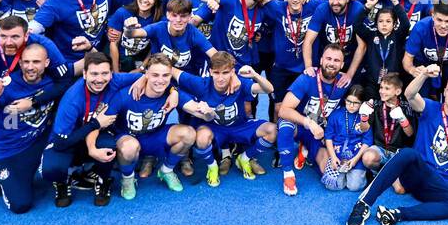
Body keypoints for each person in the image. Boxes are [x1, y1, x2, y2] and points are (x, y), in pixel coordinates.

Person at [344, 69, 448, 225]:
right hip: (418, 173)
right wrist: (425, 74)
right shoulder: (431, 108)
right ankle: (363, 205)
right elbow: (410, 94)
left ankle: (398, 214)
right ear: (444, 93)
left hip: (439, 183)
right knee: (408, 153)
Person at [0, 43, 71, 214]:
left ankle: (60, 178)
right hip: (9, 150)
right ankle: (6, 178)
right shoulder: (5, 85)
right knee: (20, 205)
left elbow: (81, 68)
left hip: (38, 143)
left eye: (36, 62)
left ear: (46, 63)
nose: (30, 67)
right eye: (26, 62)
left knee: (62, 150)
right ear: (20, 63)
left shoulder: (53, 83)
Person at [40, 51, 137, 207]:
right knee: (51, 168)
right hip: (68, 140)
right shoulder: (73, 99)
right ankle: (62, 181)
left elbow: (151, 77)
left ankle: (103, 179)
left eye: (105, 73)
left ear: (111, 73)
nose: (99, 79)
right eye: (94, 74)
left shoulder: (115, 80)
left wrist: (170, 91)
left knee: (109, 147)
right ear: (84, 74)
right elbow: (60, 143)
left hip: (97, 135)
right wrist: (95, 123)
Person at [172, 52, 277, 185]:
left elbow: (269, 89)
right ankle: (212, 166)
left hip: (239, 126)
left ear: (232, 72)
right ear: (210, 72)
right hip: (215, 128)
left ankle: (244, 158)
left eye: (225, 73)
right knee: (201, 138)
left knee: (272, 130)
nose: (221, 78)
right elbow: (171, 70)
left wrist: (255, 75)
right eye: (216, 73)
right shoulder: (201, 84)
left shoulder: (240, 83)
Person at [109, 55, 192, 198]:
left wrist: (207, 111)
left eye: (165, 75)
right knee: (129, 147)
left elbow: (195, 108)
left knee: (188, 134)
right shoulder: (125, 94)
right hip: (128, 138)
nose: (160, 80)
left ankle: (166, 170)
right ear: (146, 74)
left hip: (154, 137)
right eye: (155, 75)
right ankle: (127, 178)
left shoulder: (172, 93)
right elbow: (104, 122)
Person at [276, 44, 350, 195]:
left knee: (330, 176)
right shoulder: (307, 79)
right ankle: (288, 174)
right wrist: (308, 123)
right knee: (285, 125)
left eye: (337, 60)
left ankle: (307, 150)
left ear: (342, 65)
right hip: (301, 126)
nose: (332, 63)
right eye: (328, 58)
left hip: (321, 133)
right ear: (321, 60)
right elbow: (283, 110)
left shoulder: (345, 83)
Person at [320, 84, 375, 191]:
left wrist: (355, 160)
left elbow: (367, 141)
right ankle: (344, 176)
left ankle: (359, 174)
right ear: (344, 100)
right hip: (337, 155)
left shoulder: (364, 117)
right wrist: (333, 157)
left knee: (354, 187)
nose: (351, 105)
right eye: (348, 101)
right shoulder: (336, 114)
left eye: (356, 103)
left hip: (355, 156)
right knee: (333, 186)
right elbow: (328, 137)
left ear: (362, 103)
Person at [107, 0, 163, 72]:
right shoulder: (122, 12)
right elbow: (113, 43)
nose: (145, 0)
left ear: (156, 1)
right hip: (119, 58)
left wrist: (141, 68)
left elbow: (154, 46)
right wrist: (116, 73)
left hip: (141, 60)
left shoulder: (158, 20)